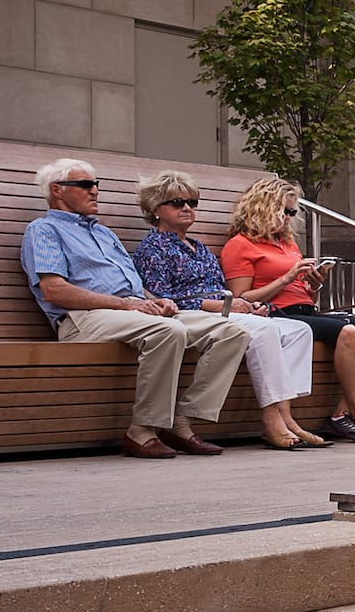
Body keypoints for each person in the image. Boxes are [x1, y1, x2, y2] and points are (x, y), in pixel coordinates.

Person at [22, 156, 252, 459]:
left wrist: (151, 298)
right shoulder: (44, 230)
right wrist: (127, 304)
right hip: (83, 319)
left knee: (230, 330)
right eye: (85, 184)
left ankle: (181, 420)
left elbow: (131, 284)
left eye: (96, 185)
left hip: (129, 312)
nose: (94, 191)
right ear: (57, 190)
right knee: (167, 331)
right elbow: (54, 290)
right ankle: (142, 431)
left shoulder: (103, 232)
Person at [130, 171, 323, 451]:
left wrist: (254, 306)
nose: (187, 208)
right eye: (177, 203)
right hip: (192, 314)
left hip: (224, 311)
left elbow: (223, 289)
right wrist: (222, 305)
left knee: (298, 331)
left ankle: (285, 415)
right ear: (155, 210)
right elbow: (163, 298)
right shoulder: (153, 248)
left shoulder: (199, 248)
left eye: (192, 203)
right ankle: (271, 420)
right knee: (266, 331)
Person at [220, 176, 355, 442]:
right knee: (347, 331)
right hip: (278, 313)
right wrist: (287, 278)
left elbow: (303, 293)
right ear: (264, 207)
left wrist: (314, 284)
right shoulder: (240, 245)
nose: (289, 218)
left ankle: (341, 414)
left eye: (293, 212)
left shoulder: (287, 243)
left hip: (305, 309)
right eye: (285, 211)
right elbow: (241, 297)